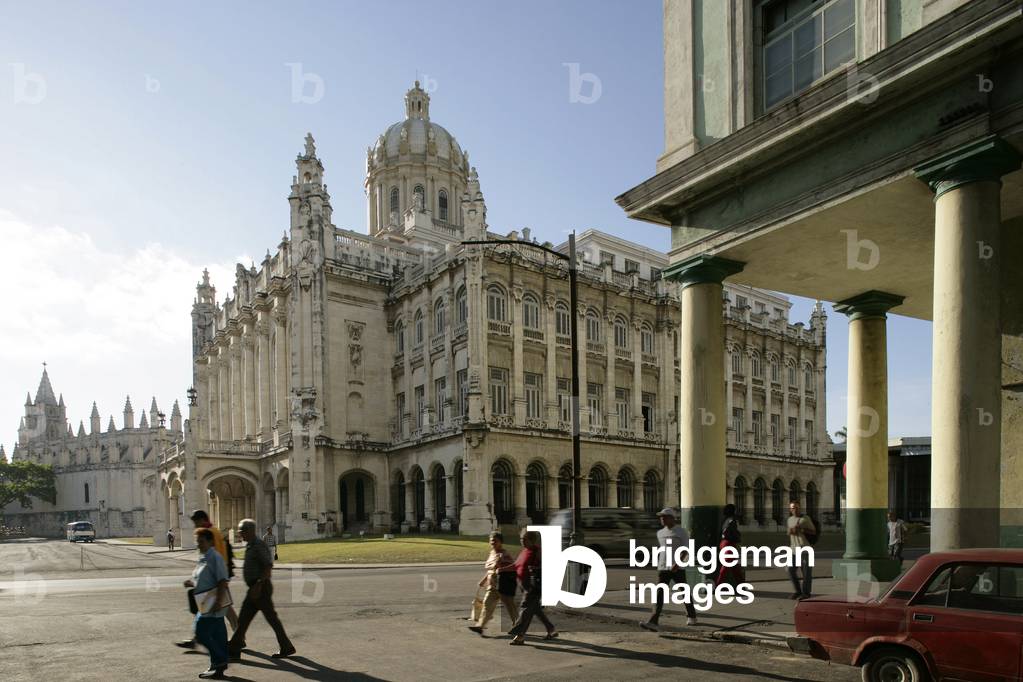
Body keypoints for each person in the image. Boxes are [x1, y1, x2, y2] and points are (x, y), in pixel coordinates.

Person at [228, 518, 296, 660]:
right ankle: (285, 646)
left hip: (260, 588)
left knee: (262, 619)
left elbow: (268, 566)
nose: (241, 535)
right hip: (255, 587)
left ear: (250, 531)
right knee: (247, 619)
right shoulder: (251, 545)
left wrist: (258, 585)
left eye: (242, 532)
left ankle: (234, 649)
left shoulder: (258, 545)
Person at [176, 510, 239, 649]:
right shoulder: (208, 532)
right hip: (216, 577)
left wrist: (221, 578)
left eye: (196, 521)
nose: (195, 525)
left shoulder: (211, 533)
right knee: (223, 607)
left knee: (220, 606)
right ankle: (238, 636)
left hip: (217, 578)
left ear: (203, 520)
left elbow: (218, 556)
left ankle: (235, 637)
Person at [183, 528, 231, 680]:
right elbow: (201, 577)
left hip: (212, 603)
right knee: (218, 635)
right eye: (197, 542)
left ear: (210, 541)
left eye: (201, 541)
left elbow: (222, 580)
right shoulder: (203, 557)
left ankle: (220, 659)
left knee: (201, 633)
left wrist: (218, 601)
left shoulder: (215, 557)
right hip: (204, 602)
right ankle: (218, 666)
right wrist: (191, 582)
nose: (199, 545)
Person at [640, 507, 697, 632]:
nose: (662, 519)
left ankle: (692, 615)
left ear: (672, 518)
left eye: (664, 517)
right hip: (663, 567)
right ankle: (653, 621)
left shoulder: (681, 532)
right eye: (661, 517)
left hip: (677, 567)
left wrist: (678, 563)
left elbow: (686, 549)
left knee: (684, 592)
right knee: (659, 593)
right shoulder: (660, 533)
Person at [507, 530, 557, 645]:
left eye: (525, 539)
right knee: (535, 609)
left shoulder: (537, 551)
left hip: (534, 586)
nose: (522, 541)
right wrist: (502, 569)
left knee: (526, 608)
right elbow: (516, 565)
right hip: (524, 585)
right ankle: (551, 629)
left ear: (532, 540)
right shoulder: (525, 551)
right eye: (521, 539)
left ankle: (519, 635)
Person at [468, 531, 518, 635]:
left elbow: (512, 568)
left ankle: (518, 625)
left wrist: (499, 564)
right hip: (492, 585)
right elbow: (490, 569)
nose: (493, 543)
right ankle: (480, 626)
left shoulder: (504, 554)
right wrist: (484, 580)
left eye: (495, 541)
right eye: (491, 541)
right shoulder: (492, 553)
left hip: (503, 585)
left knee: (510, 606)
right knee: (487, 604)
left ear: (501, 542)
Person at [787, 501, 816, 599]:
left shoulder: (805, 519)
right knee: (790, 570)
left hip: (805, 549)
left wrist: (801, 530)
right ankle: (798, 591)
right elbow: (789, 532)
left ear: (799, 508)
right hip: (793, 550)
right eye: (792, 508)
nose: (794, 509)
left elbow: (813, 531)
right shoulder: (789, 519)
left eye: (795, 507)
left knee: (806, 573)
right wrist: (790, 531)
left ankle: (806, 593)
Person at [715, 504, 745, 587]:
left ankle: (741, 585)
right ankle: (717, 585)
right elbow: (731, 532)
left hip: (724, 543)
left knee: (734, 567)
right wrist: (738, 537)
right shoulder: (732, 520)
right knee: (727, 565)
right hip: (729, 544)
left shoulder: (725, 520)